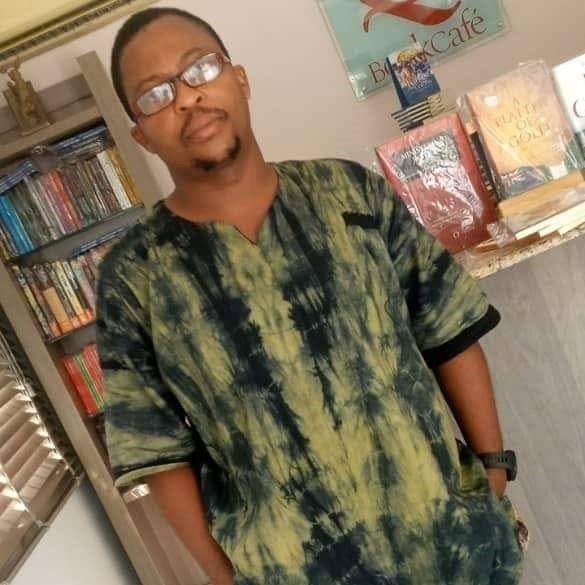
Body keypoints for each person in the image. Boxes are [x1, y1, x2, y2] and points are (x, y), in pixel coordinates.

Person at [97, 7, 524, 585]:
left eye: (200, 69)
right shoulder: (134, 278)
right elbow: (159, 451)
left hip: (452, 548)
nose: (187, 98)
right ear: (140, 134)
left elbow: (450, 329)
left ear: (240, 79)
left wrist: (493, 471)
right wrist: (228, 578)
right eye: (155, 94)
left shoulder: (350, 196)